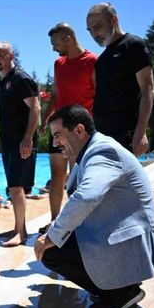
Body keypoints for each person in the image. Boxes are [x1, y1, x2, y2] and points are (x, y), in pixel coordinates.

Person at [34, 105, 154, 308]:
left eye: (58, 135)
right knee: (47, 233)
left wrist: (53, 236)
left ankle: (121, 293)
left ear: (79, 131)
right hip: (116, 233)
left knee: (50, 249)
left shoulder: (103, 152)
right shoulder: (91, 151)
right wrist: (53, 228)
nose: (54, 143)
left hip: (128, 244)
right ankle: (112, 286)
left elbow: (87, 196)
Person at [41, 23, 97, 232]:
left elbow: (99, 96)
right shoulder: (58, 64)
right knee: (57, 176)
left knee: (77, 177)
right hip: (58, 127)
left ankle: (77, 223)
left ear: (68, 38)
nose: (54, 48)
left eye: (55, 43)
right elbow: (55, 94)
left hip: (80, 131)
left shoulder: (92, 61)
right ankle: (55, 222)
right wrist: (46, 119)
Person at [86, 2, 154, 157]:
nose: (94, 34)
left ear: (114, 20)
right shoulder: (101, 59)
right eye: (90, 30)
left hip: (126, 133)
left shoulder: (134, 45)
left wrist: (141, 131)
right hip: (102, 134)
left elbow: (148, 90)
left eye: (98, 27)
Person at [0, 41, 41, 247]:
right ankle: (18, 228)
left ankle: (21, 233)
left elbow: (35, 107)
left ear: (11, 56)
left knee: (16, 186)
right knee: (13, 187)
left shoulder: (20, 78)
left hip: (21, 141)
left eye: (1, 56)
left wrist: (28, 137)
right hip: (10, 142)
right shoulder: (5, 81)